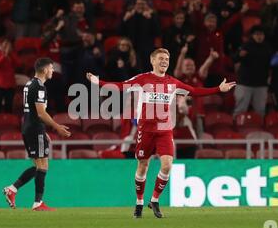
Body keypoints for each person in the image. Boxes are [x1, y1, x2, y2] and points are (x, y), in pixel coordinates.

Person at [86, 48, 235, 218]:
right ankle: (139, 202)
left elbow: (194, 91)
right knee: (143, 166)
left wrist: (218, 89)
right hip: (146, 130)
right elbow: (121, 86)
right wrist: (99, 82)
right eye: (161, 58)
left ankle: (155, 200)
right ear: (153, 61)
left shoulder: (173, 82)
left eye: (167, 59)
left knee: (167, 165)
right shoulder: (143, 79)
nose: (165, 61)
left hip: (164, 130)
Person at [3, 58, 71, 211]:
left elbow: (32, 112)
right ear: (45, 69)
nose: (53, 71)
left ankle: (12, 190)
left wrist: (43, 130)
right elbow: (41, 112)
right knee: (43, 165)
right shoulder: (40, 87)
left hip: (29, 127)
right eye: (52, 68)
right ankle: (37, 203)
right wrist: (56, 127)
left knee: (39, 166)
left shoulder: (29, 84)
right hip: (34, 128)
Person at [233, 25, 273, 117]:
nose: (259, 36)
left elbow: (270, 64)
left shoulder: (267, 48)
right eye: (257, 34)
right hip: (244, 83)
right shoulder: (246, 46)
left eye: (261, 34)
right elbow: (234, 59)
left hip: (261, 84)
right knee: (240, 109)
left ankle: (259, 129)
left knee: (260, 110)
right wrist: (240, 55)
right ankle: (236, 127)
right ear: (253, 35)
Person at [121, 0, 160, 72]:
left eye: (143, 4)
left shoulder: (152, 15)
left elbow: (157, 33)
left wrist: (151, 18)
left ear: (146, 5)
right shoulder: (129, 15)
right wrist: (125, 19)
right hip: (132, 47)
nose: (140, 6)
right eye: (138, 4)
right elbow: (120, 32)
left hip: (147, 49)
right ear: (135, 5)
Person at [0, 39, 21, 114]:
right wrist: (4, 56)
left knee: (9, 107)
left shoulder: (12, 54)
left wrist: (10, 54)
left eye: (8, 45)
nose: (6, 47)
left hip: (10, 84)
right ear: (0, 45)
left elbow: (19, 64)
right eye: (4, 45)